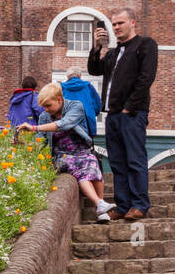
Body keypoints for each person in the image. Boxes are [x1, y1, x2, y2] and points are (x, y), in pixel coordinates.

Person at [88, 8, 157, 221]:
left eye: (120, 23)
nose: (116, 27)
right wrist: (96, 47)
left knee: (135, 159)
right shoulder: (113, 53)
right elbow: (94, 69)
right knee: (117, 162)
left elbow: (146, 78)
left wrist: (130, 106)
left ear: (132, 22)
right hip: (113, 115)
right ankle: (123, 204)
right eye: (114, 24)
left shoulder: (145, 45)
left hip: (132, 113)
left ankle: (139, 204)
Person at [17, 82, 114, 221]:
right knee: (78, 167)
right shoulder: (45, 116)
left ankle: (101, 207)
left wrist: (34, 128)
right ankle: (99, 204)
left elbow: (64, 124)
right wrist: (24, 144)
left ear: (59, 100)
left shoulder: (76, 106)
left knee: (93, 163)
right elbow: (40, 141)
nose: (45, 109)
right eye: (43, 106)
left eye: (48, 105)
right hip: (61, 155)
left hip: (82, 150)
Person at [60, 71, 101, 137]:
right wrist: (93, 113)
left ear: (68, 77)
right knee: (86, 145)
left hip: (67, 122)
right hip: (87, 122)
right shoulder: (88, 86)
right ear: (80, 76)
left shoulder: (62, 87)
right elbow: (97, 105)